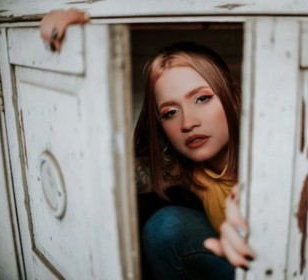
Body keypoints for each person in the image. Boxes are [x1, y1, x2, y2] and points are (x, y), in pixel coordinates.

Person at [40, 9, 255, 279]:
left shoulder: (266, 154)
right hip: (229, 261)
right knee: (164, 226)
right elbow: (101, 175)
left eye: (201, 98)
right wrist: (73, 35)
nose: (187, 122)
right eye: (170, 112)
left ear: (234, 95)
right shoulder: (187, 170)